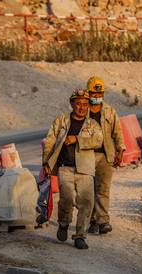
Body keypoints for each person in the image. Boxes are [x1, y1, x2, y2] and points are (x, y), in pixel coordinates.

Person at [42, 89, 103, 249]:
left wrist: (78, 139)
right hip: (65, 168)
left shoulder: (93, 124)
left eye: (85, 104)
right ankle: (63, 223)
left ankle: (80, 236)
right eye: (78, 104)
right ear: (72, 104)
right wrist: (46, 162)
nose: (82, 107)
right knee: (66, 199)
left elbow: (98, 141)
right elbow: (49, 140)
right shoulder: (61, 121)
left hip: (85, 169)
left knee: (86, 203)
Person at [86, 76, 126, 235]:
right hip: (86, 157)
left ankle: (103, 222)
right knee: (88, 192)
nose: (97, 97)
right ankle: (91, 221)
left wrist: (120, 150)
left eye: (100, 93)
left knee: (102, 190)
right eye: (94, 94)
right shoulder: (82, 110)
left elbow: (118, 132)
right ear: (88, 93)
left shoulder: (109, 111)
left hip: (105, 157)